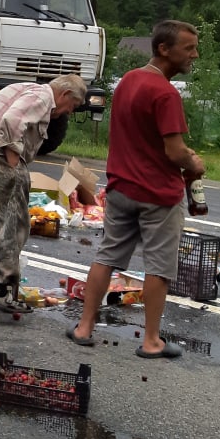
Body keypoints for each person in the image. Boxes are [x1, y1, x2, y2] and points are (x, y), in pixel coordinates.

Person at [69, 20, 203, 357]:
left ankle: (84, 327)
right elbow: (174, 152)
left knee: (107, 256)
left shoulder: (128, 80)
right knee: (158, 267)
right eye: (188, 48)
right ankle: (151, 341)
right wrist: (194, 163)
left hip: (121, 188)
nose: (194, 55)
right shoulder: (166, 93)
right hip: (158, 194)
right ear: (164, 49)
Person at [0, 73, 88, 311]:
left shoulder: (23, 88)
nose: (69, 112)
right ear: (65, 94)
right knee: (10, 220)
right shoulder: (43, 96)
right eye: (72, 105)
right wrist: (13, 160)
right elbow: (13, 119)